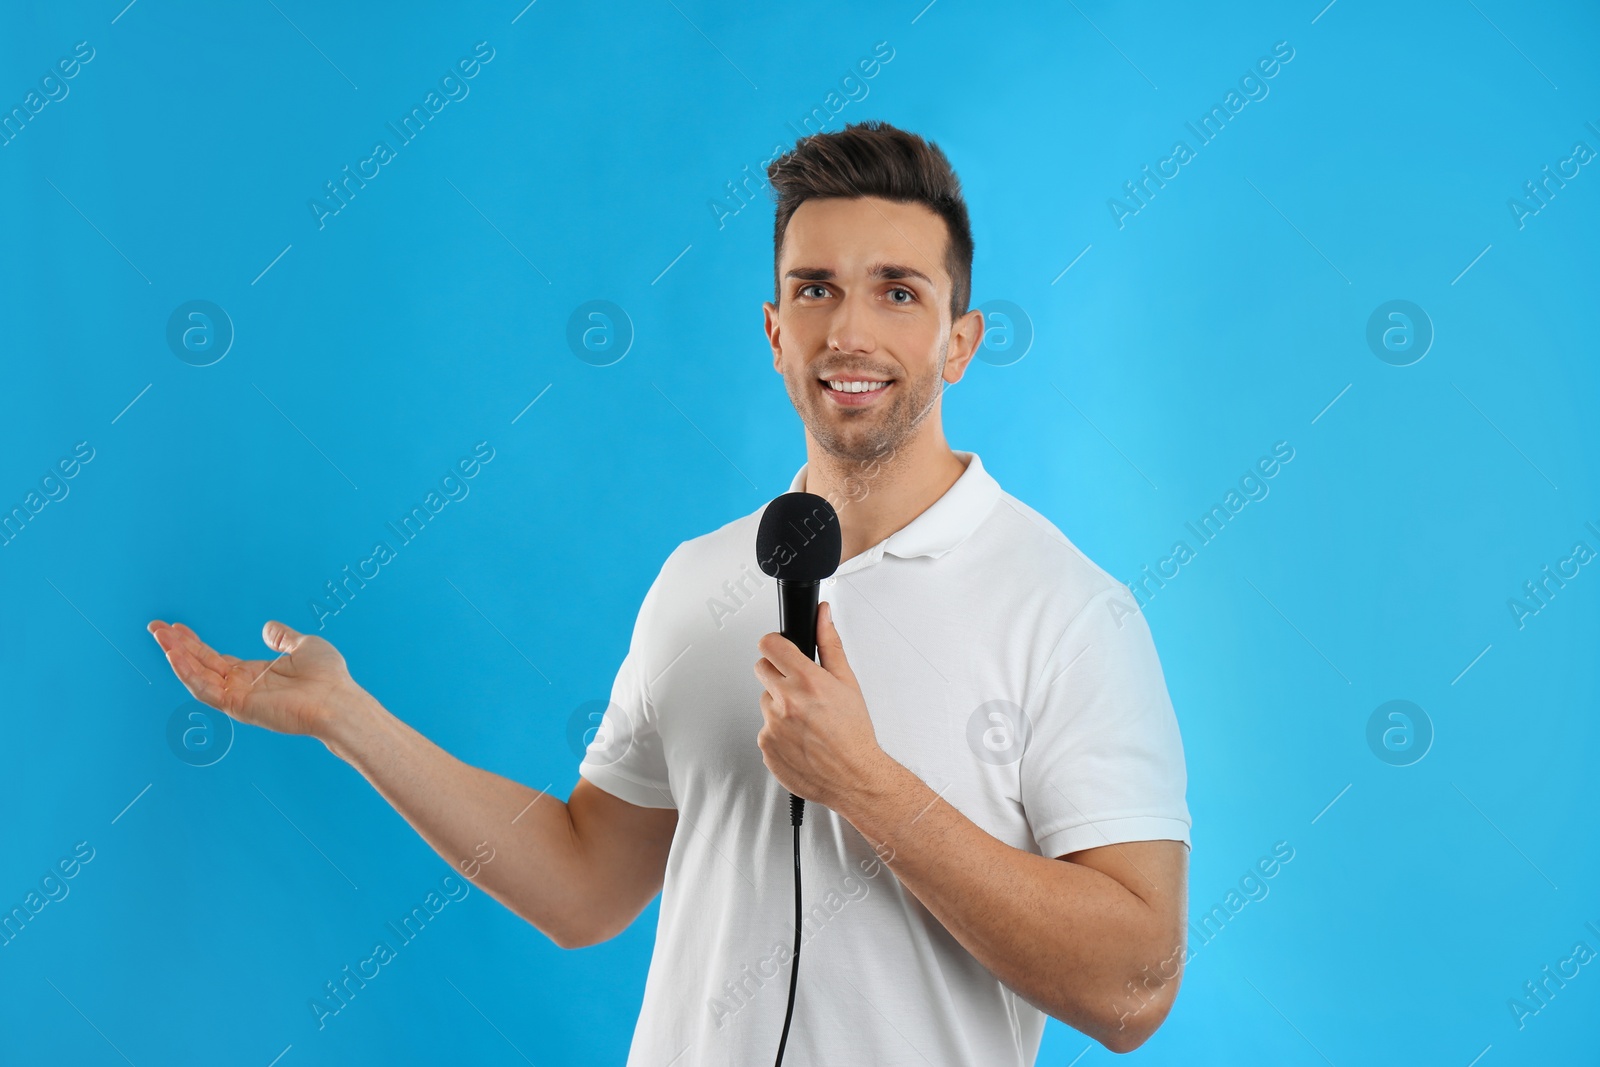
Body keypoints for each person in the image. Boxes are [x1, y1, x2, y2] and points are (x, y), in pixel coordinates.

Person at [148, 119, 1191, 1064]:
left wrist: (866, 784)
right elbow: (585, 881)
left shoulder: (1066, 609)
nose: (849, 333)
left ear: (959, 341)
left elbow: (1133, 988)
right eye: (814, 288)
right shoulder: (696, 580)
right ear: (775, 329)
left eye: (899, 291)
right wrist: (348, 717)